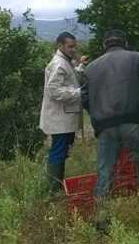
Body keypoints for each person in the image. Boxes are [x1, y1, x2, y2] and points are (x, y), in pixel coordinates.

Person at [81, 29, 139, 199]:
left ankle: (102, 217)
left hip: (104, 127)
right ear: (125, 43)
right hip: (132, 123)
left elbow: (84, 98)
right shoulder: (136, 58)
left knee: (104, 174)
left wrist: (97, 113)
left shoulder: (91, 68)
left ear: (104, 45)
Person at [39, 31, 88, 192]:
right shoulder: (58, 63)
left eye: (75, 46)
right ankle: (53, 190)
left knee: (62, 149)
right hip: (59, 118)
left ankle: (58, 186)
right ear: (60, 46)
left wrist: (80, 67)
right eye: (70, 46)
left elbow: (69, 78)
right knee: (58, 150)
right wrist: (77, 93)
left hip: (64, 117)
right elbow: (54, 90)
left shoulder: (65, 61)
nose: (73, 49)